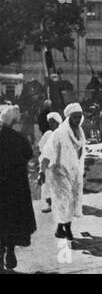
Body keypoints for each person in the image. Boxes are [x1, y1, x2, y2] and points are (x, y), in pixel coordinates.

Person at [39, 103, 86, 241]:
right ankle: (68, 229)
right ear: (69, 117)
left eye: (80, 117)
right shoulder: (59, 134)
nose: (78, 120)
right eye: (75, 117)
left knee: (70, 201)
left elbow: (80, 152)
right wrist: (41, 171)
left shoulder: (80, 133)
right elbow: (47, 153)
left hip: (74, 173)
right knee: (65, 200)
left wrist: (80, 169)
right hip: (59, 173)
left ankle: (60, 228)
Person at [0, 105, 36, 272]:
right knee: (13, 221)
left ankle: (0, 256)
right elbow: (29, 155)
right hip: (16, 187)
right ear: (15, 121)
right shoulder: (21, 139)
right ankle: (11, 252)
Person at [38, 112, 63, 213]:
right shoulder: (48, 134)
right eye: (50, 122)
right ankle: (50, 204)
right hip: (47, 162)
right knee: (47, 184)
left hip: (58, 162)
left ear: (58, 123)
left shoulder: (62, 134)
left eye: (53, 122)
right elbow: (40, 147)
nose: (51, 124)